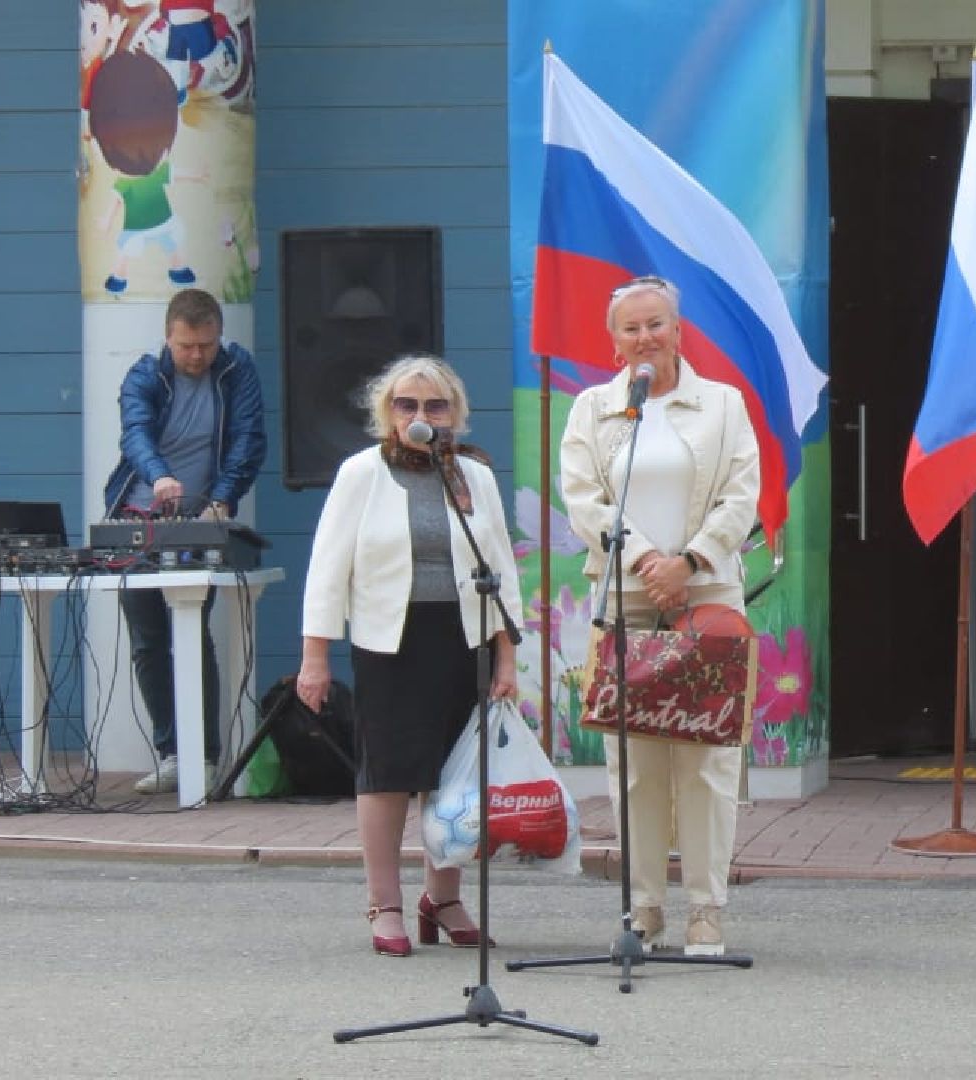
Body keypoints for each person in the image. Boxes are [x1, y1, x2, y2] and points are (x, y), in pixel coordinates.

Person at [559, 275, 761, 957]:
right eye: (630, 328)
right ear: (612, 341)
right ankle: (646, 905)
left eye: (655, 325)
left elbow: (742, 497)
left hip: (707, 594)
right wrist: (649, 560)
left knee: (706, 760)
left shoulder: (724, 404)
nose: (644, 338)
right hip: (626, 593)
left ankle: (707, 907)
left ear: (678, 330)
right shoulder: (594, 408)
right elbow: (584, 501)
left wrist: (691, 563)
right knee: (635, 765)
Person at [296, 354, 521, 957]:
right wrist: (314, 656)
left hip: (463, 635)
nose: (420, 416)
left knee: (455, 780)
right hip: (389, 640)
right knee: (389, 774)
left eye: (434, 406)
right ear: (386, 414)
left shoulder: (473, 476)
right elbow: (326, 569)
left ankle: (442, 898)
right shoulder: (360, 474)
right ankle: (385, 902)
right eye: (406, 405)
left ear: (456, 415)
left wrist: (507, 657)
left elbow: (499, 565)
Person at [101, 288, 265, 795]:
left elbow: (247, 439)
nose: (196, 356)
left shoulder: (239, 372)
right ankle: (173, 752)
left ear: (220, 338)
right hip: (140, 513)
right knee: (149, 642)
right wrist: (160, 475)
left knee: (192, 632)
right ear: (167, 339)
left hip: (203, 515)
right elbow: (135, 434)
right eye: (186, 346)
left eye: (206, 346)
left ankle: (206, 757)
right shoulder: (144, 376)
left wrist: (221, 499)